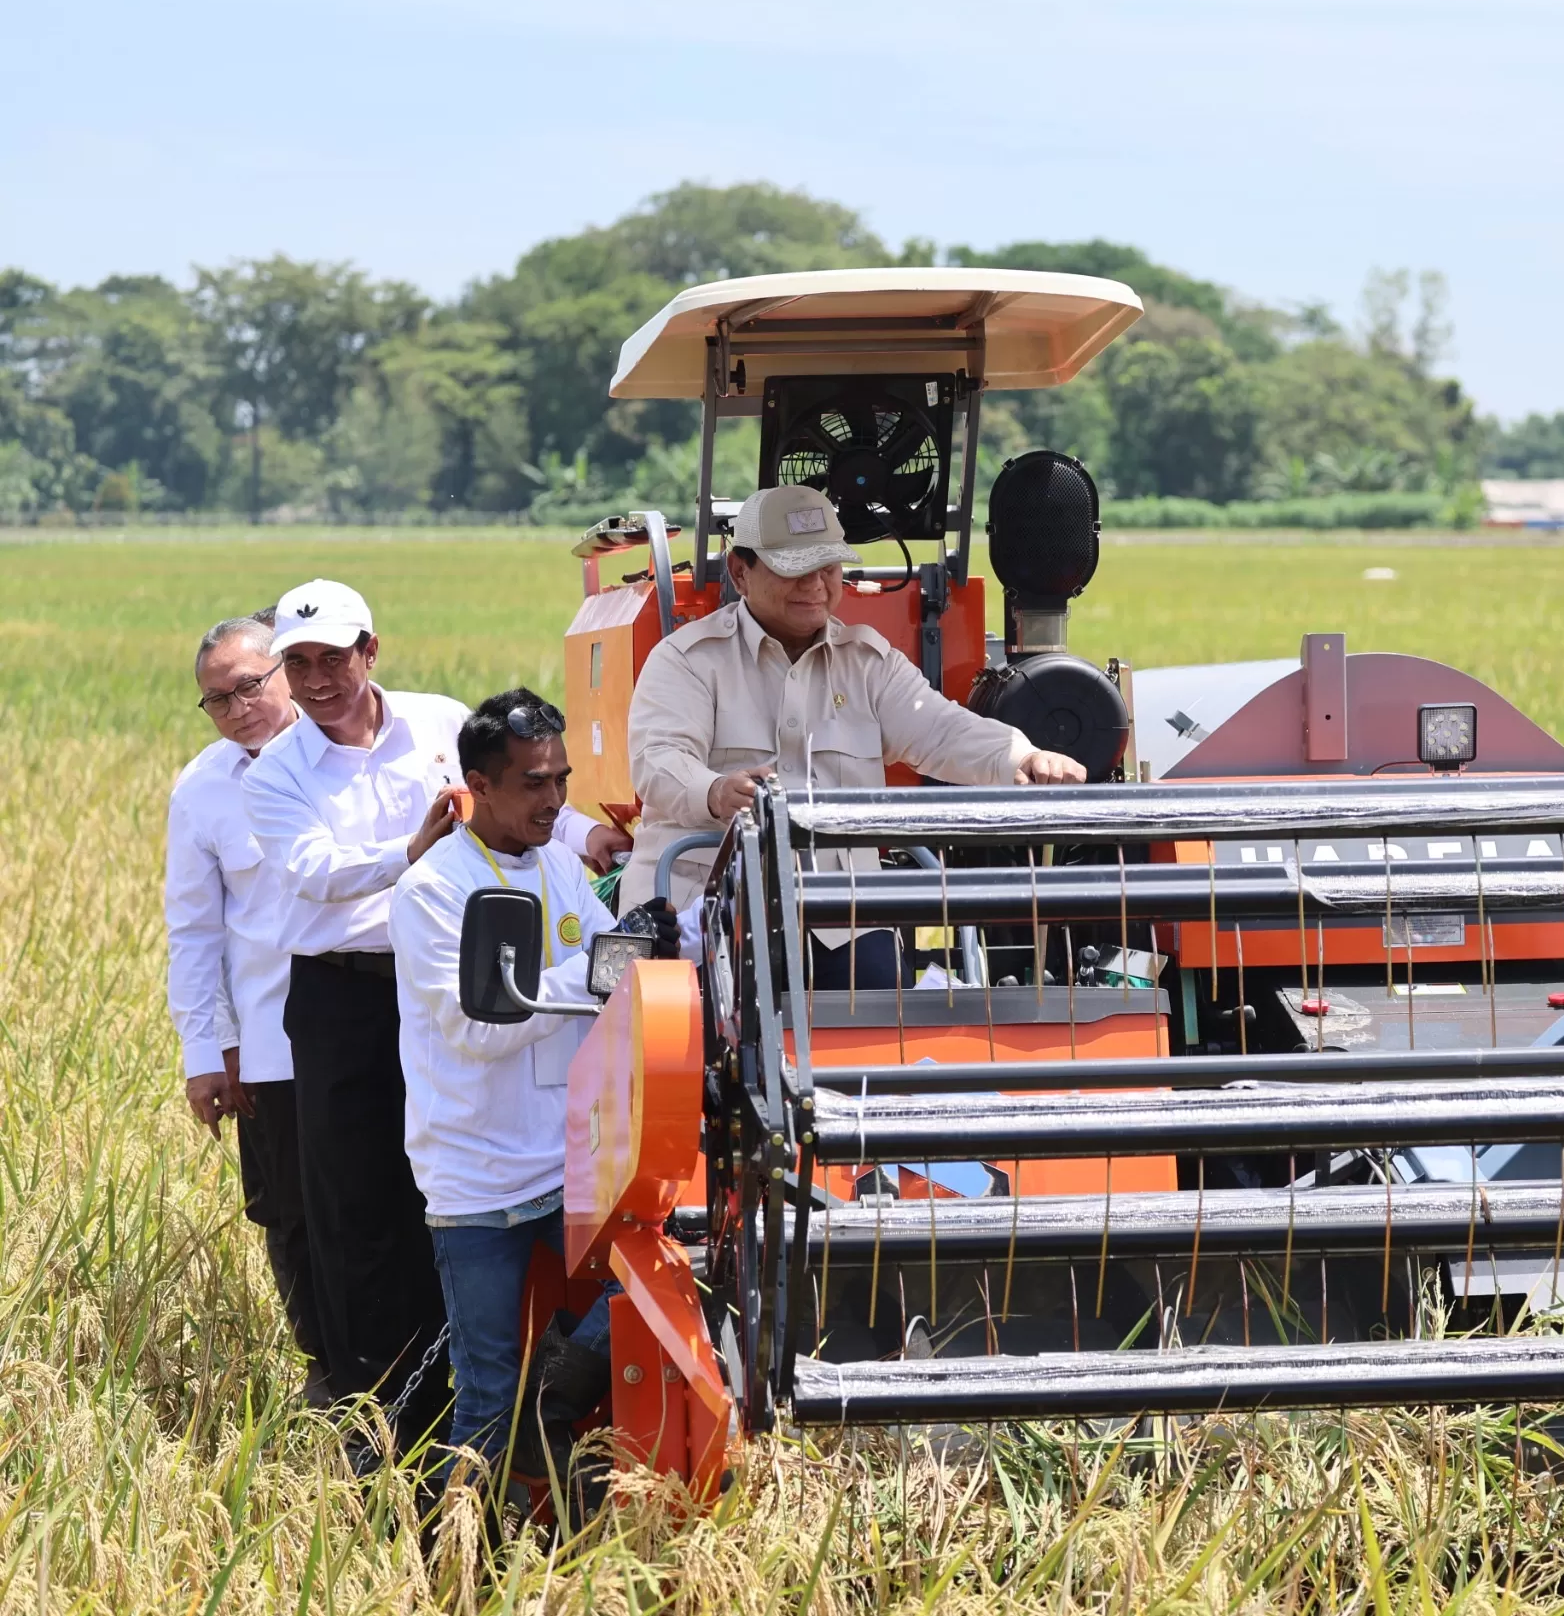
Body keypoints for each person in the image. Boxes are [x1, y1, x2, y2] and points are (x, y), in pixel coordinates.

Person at [241, 578, 629, 1458]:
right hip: (348, 993)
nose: (317, 678)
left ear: (370, 650)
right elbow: (313, 873)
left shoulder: (444, 727)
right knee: (363, 1215)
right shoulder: (281, 776)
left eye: (334, 657)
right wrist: (409, 853)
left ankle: (515, 1420)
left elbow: (529, 802)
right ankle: (382, 1419)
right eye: (299, 662)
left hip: (480, 1012)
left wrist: (586, 842)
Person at [623, 483, 1083, 984]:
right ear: (740, 571)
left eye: (828, 568)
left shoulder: (868, 663)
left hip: (840, 916)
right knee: (705, 1027)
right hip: (704, 915)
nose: (815, 585)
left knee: (884, 1009)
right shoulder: (687, 660)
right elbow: (658, 759)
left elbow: (941, 728)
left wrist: (1022, 758)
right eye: (793, 569)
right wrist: (714, 791)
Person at [389, 688, 618, 1490]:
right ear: (478, 786)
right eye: (533, 782)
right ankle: (460, 1550)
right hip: (477, 1179)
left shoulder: (557, 862)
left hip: (567, 1162)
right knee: (483, 1394)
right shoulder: (432, 891)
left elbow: (615, 966)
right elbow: (479, 1025)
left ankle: (548, 1406)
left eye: (562, 778)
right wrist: (589, 973)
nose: (554, 799)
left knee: (653, 1286)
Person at [163, 609, 329, 1407]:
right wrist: (208, 1052)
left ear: (287, 671)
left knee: (379, 1204)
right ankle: (326, 1370)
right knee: (289, 1214)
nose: (237, 709)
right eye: (218, 699)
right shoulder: (202, 789)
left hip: (383, 1027)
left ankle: (397, 1365)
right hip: (270, 1041)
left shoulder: (350, 753)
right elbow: (194, 931)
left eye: (250, 686)